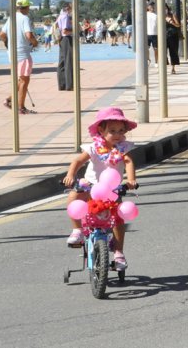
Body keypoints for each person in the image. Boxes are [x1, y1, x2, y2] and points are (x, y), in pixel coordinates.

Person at [61, 107, 138, 271]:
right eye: (112, 131)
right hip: (90, 186)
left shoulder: (123, 148)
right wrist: (70, 175)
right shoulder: (94, 148)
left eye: (120, 131)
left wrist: (131, 180)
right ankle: (77, 230)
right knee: (73, 199)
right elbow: (77, 162)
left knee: (118, 219)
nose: (117, 134)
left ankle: (118, 252)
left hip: (112, 189)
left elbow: (129, 162)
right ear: (101, 131)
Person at [0, 0, 39, 114]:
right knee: (24, 81)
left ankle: (9, 100)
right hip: (23, 54)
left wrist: (8, 44)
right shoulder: (25, 18)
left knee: (21, 80)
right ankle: (20, 107)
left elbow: (1, 34)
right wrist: (35, 43)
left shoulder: (11, 18)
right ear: (26, 7)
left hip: (12, 54)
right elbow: (28, 35)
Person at [165, 6, 182, 74]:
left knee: (173, 52)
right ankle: (164, 67)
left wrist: (172, 22)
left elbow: (178, 25)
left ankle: (173, 68)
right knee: (163, 52)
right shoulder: (160, 16)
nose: (164, 10)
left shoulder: (172, 15)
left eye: (165, 8)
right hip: (163, 36)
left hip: (173, 36)